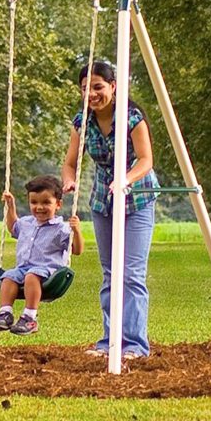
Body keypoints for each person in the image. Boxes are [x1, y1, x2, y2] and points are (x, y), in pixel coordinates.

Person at [61, 61, 158, 360]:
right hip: (103, 200)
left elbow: (146, 160)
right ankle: (109, 341)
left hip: (137, 197)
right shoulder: (82, 122)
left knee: (131, 274)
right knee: (110, 273)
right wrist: (69, 181)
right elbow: (70, 163)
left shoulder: (131, 117)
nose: (91, 94)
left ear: (113, 86)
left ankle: (135, 345)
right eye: (85, 89)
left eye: (98, 87)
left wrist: (125, 179)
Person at [0, 175, 84, 335]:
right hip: (23, 269)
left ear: (58, 204)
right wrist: (11, 206)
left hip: (48, 271)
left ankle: (30, 317)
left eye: (46, 202)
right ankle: (5, 314)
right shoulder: (26, 223)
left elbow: (77, 250)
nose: (39, 207)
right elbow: (13, 227)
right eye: (34, 202)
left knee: (32, 275)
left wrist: (76, 230)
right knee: (8, 277)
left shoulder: (61, 228)